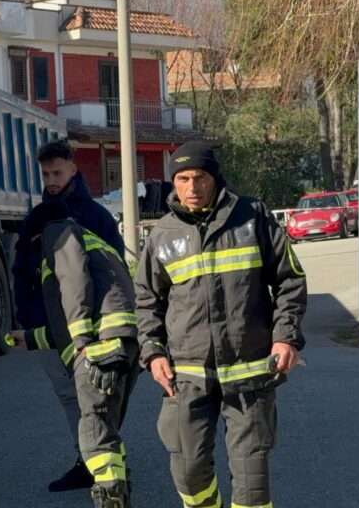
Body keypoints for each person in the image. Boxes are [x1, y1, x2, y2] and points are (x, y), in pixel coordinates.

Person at [134, 141, 307, 508]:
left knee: (251, 484)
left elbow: (290, 279)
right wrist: (152, 352)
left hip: (248, 374)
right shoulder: (162, 235)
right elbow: (147, 300)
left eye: (200, 177)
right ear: (173, 182)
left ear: (215, 179)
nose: (192, 188)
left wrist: (286, 337)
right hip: (188, 375)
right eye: (182, 179)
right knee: (189, 471)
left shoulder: (252, 216)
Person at [10, 200, 140, 508]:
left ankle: (112, 500)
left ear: (35, 234)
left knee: (94, 430)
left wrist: (83, 340)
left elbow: (73, 282)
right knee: (107, 428)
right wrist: (29, 339)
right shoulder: (92, 240)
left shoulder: (58, 232)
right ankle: (120, 488)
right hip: (122, 342)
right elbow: (63, 321)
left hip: (99, 343)